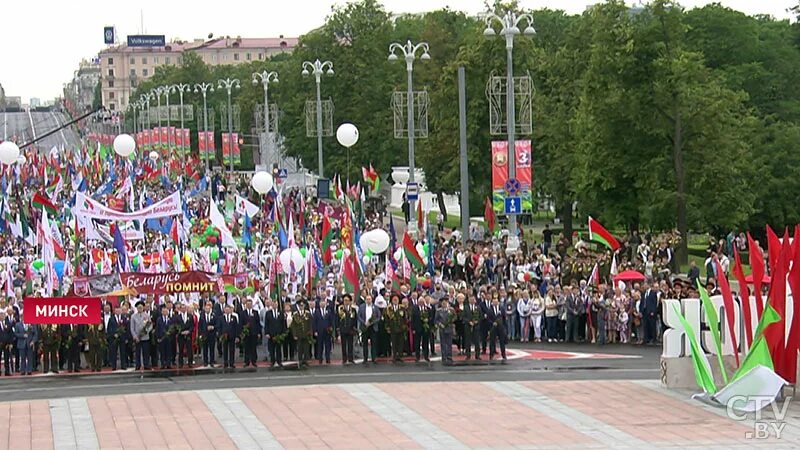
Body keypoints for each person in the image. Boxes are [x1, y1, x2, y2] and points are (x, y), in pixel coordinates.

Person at [358, 294, 381, 364]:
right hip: (365, 327)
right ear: (365, 300)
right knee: (365, 343)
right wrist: (364, 322)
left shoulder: (375, 307)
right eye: (367, 299)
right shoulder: (361, 307)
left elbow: (378, 317)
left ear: (372, 300)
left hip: (373, 327)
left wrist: (372, 322)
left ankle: (374, 358)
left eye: (369, 299)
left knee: (373, 343)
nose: (368, 300)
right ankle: (365, 358)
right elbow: (359, 316)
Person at [130, 301, 152, 371]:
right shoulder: (133, 316)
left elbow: (150, 326)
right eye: (138, 308)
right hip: (137, 338)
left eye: (141, 308)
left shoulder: (146, 316)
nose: (140, 309)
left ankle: (146, 365)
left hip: (145, 337)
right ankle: (138, 365)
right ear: (136, 308)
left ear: (143, 308)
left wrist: (146, 331)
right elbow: (132, 328)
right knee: (137, 352)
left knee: (146, 352)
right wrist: (135, 336)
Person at [385, 295, 407, 363]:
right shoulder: (389, 308)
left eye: (396, 299)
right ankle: (394, 356)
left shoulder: (402, 308)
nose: (395, 300)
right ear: (391, 300)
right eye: (394, 299)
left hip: (401, 328)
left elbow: (405, 318)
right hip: (393, 328)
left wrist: (404, 326)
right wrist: (387, 327)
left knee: (400, 343)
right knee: (394, 343)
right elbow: (386, 319)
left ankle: (400, 356)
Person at [291, 300, 312, 367]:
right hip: (299, 334)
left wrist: (310, 331)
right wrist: (294, 334)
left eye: (302, 306)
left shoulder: (307, 313)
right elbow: (293, 326)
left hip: (306, 333)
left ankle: (305, 360)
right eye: (300, 306)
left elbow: (310, 323)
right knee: (299, 348)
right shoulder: (295, 314)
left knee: (306, 348)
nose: (301, 307)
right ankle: (300, 360)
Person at [240, 299, 261, 368]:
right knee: (246, 348)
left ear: (252, 305)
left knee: (253, 348)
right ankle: (247, 362)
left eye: (250, 304)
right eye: (247, 304)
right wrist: (242, 332)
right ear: (246, 305)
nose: (249, 305)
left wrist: (258, 332)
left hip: (254, 333)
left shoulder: (255, 312)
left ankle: (254, 361)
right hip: (246, 334)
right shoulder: (243, 313)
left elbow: (258, 323)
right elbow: (241, 324)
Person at [264, 299, 285, 367]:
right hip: (271, 334)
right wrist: (267, 333)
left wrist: (283, 333)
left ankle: (279, 361)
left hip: (279, 334)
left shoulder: (281, 313)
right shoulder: (268, 313)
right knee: (271, 349)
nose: (274, 305)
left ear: (277, 305)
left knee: (278, 349)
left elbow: (283, 324)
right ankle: (272, 361)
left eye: (275, 304)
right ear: (271, 305)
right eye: (273, 304)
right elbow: (266, 324)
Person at [107, 305, 129, 370]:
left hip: (122, 337)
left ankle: (123, 365)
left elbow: (126, 328)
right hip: (114, 338)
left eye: (119, 310)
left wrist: (126, 337)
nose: (118, 311)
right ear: (114, 311)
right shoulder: (111, 319)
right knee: (114, 352)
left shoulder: (124, 318)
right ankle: (114, 366)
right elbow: (109, 329)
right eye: (116, 310)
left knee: (123, 352)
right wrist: (113, 334)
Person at [338, 294, 357, 365]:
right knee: (343, 345)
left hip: (351, 329)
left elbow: (355, 319)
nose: (346, 302)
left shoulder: (353, 310)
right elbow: (337, 319)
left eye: (347, 300)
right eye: (345, 300)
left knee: (350, 345)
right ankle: (344, 359)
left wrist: (355, 328)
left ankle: (350, 358)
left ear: (350, 301)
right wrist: (338, 329)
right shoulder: (340, 309)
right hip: (343, 329)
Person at [411, 296, 432, 362]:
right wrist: (413, 329)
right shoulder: (414, 309)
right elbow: (412, 320)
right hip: (417, 329)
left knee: (425, 343)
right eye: (420, 302)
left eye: (422, 302)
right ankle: (417, 357)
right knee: (417, 343)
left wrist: (429, 327)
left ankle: (426, 356)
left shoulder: (428, 309)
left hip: (425, 329)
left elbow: (430, 319)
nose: (421, 303)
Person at [434, 298, 455, 364]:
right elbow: (436, 320)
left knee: (449, 343)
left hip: (449, 328)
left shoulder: (451, 310)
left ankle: (449, 356)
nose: (444, 304)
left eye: (445, 303)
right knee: (443, 343)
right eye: (443, 303)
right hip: (442, 329)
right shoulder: (438, 311)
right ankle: (444, 356)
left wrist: (451, 322)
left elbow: (454, 317)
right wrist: (440, 324)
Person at [313, 298, 333, 364]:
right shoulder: (316, 311)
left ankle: (328, 359)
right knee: (320, 346)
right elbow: (314, 322)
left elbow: (331, 321)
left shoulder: (329, 311)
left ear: (325, 304)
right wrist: (315, 331)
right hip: (319, 331)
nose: (322, 304)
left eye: (323, 303)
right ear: (319, 304)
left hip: (327, 331)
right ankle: (320, 359)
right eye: (321, 303)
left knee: (327, 345)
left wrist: (331, 328)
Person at [461, 293, 481, 360]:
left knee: (477, 341)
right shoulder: (466, 307)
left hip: (476, 327)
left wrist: (477, 321)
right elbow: (463, 317)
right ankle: (468, 355)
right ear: (469, 300)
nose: (472, 300)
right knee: (468, 341)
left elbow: (481, 316)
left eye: (473, 299)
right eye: (471, 299)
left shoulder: (478, 307)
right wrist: (468, 322)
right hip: (468, 327)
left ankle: (477, 355)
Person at [175, 303, 195, 368]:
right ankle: (180, 363)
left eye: (184, 308)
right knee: (180, 350)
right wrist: (181, 332)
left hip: (188, 335)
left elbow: (192, 326)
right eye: (182, 308)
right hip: (181, 336)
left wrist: (189, 331)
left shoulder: (190, 316)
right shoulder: (177, 317)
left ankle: (190, 362)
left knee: (189, 349)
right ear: (180, 309)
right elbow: (176, 326)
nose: (183, 309)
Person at [199, 301, 218, 367]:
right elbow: (200, 325)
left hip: (212, 334)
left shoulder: (214, 315)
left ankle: (212, 361)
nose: (207, 310)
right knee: (205, 349)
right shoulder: (202, 316)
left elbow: (217, 324)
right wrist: (200, 334)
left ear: (210, 309)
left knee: (212, 348)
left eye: (208, 309)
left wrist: (213, 327)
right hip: (205, 334)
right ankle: (205, 361)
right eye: (206, 309)